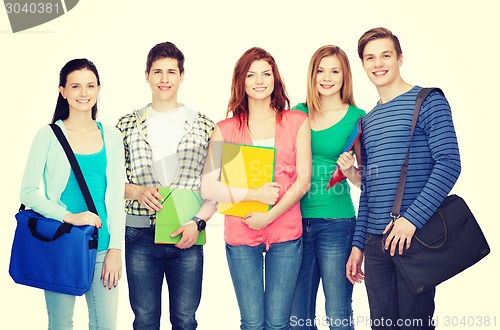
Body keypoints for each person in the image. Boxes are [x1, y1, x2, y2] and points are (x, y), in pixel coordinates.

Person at [346, 27, 461, 329]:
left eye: (385, 55)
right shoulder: (367, 121)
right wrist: (359, 244)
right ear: (363, 64)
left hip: (416, 237)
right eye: (370, 58)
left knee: (414, 325)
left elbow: (449, 164)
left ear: (399, 58)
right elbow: (368, 189)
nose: (378, 63)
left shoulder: (428, 101)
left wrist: (411, 220)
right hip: (375, 244)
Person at [201, 47, 312, 330]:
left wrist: (269, 215)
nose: (259, 80)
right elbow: (208, 187)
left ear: (275, 78)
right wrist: (255, 196)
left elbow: (303, 182)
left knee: (277, 322)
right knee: (251, 322)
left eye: (266, 73)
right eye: (251, 74)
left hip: (286, 231)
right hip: (240, 232)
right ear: (241, 81)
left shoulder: (296, 121)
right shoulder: (224, 129)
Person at [116, 41, 216, 330]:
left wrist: (197, 223)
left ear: (182, 75)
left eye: (171, 72)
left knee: (185, 321)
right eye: (157, 71)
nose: (164, 79)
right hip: (140, 235)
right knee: (145, 320)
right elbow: (109, 183)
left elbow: (219, 186)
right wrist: (137, 191)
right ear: (146, 75)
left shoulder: (207, 125)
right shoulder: (125, 125)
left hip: (187, 234)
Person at [19, 58, 125, 329]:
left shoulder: (112, 135)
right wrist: (69, 216)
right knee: (61, 324)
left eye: (90, 86)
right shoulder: (48, 134)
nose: (84, 93)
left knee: (105, 325)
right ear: (62, 91)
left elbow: (115, 196)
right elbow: (28, 192)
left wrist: (115, 248)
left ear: (99, 89)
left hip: (102, 247)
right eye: (75, 86)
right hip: (62, 243)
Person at [290, 45, 365, 330]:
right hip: (295, 221)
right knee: (298, 318)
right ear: (312, 74)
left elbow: (364, 180)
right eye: (321, 70)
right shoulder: (297, 113)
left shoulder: (357, 117)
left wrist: (350, 170)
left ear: (345, 76)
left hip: (337, 223)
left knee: (338, 314)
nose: (327, 77)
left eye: (334, 71)